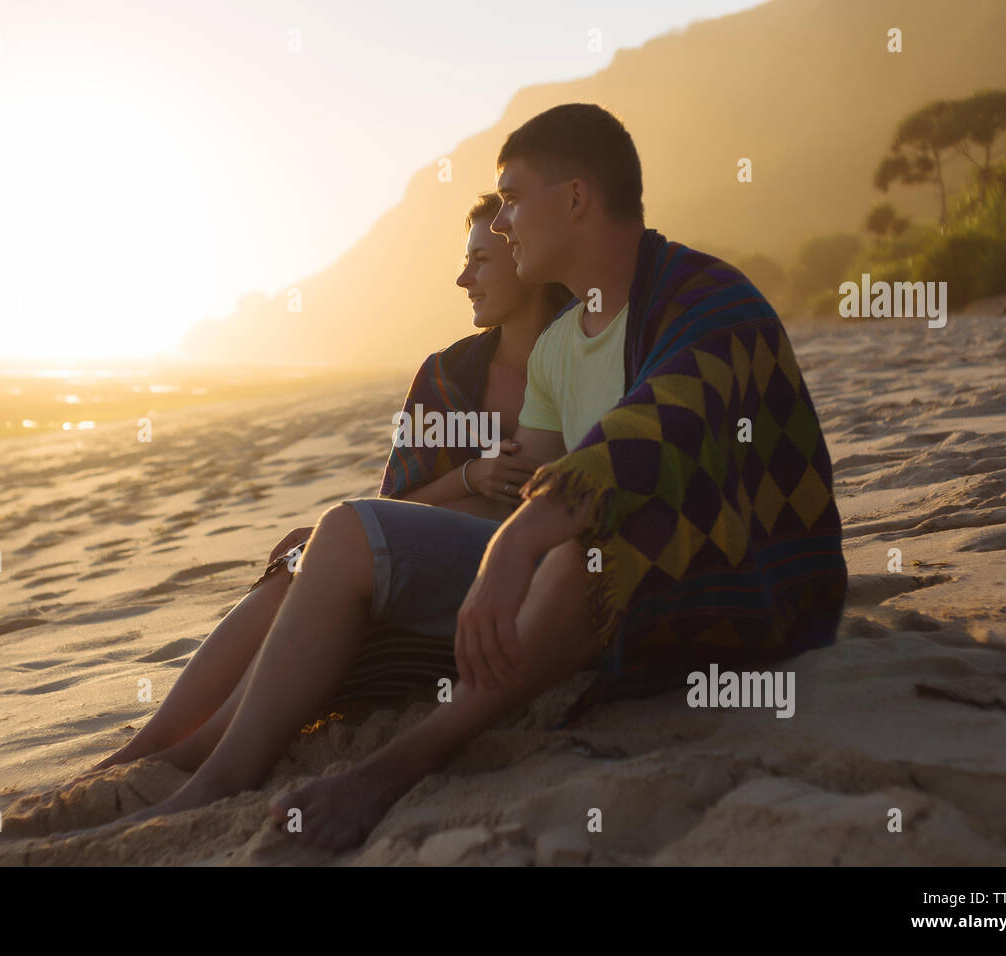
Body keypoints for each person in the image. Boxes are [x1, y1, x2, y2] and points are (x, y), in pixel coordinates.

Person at [115, 103, 847, 853]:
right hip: (558, 590)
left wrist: (519, 542)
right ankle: (207, 769)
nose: (500, 225)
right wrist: (474, 529)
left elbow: (656, 433)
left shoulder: (707, 298)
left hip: (706, 579)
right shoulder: (559, 347)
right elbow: (530, 477)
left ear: (574, 199)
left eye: (511, 200)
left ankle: (395, 766)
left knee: (586, 547)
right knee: (340, 533)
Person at [87, 193, 570, 778]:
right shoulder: (446, 376)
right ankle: (146, 751)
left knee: (323, 547)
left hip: (502, 587)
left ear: (524, 256)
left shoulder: (584, 356)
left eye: (480, 260)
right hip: (421, 560)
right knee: (302, 553)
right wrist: (473, 475)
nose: (463, 277)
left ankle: (193, 757)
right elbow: (394, 509)